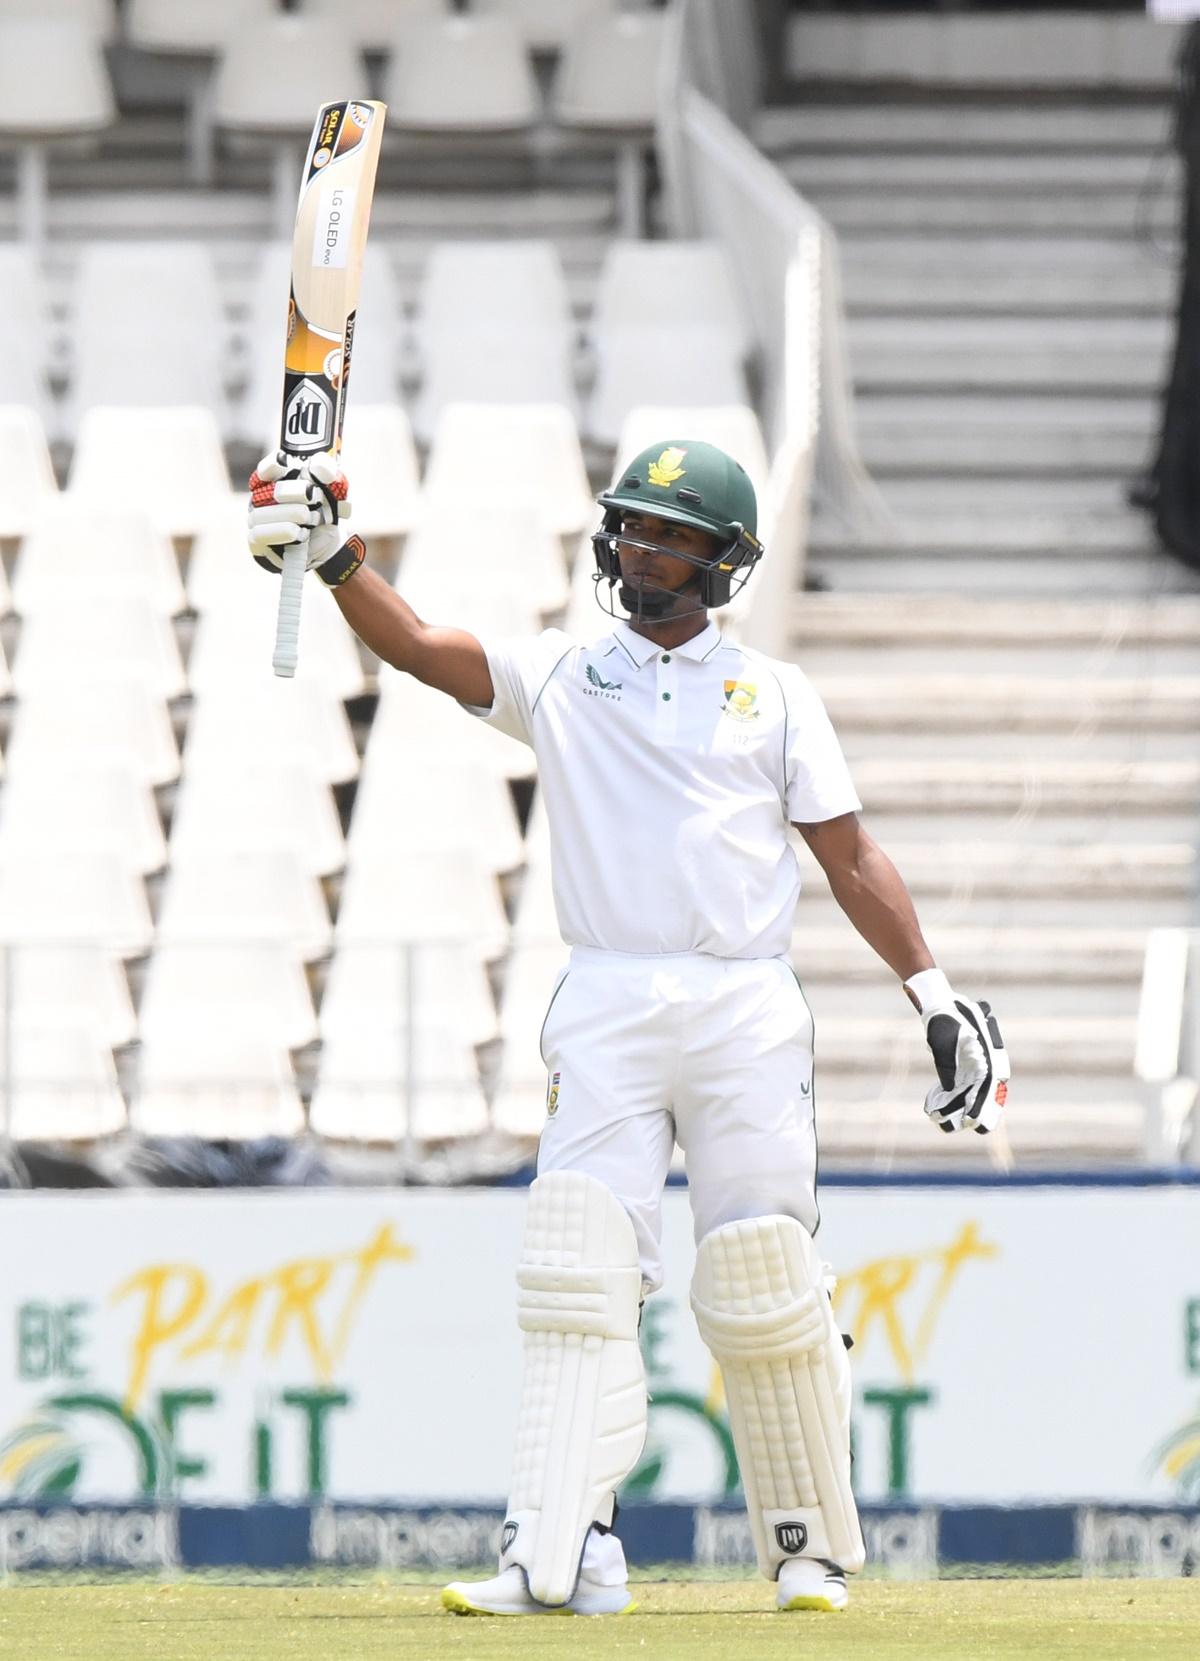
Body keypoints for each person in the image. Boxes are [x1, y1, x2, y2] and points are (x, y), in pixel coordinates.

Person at [248, 438, 1009, 1617]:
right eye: (630, 526)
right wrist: (337, 550)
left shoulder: (778, 695)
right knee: (576, 1268)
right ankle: (562, 1554)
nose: (637, 548)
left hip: (746, 1007)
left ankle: (808, 1550)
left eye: (666, 533)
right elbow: (415, 645)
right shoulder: (561, 675)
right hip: (605, 999)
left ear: (723, 560)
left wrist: (934, 992)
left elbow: (850, 858)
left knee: (764, 1272)